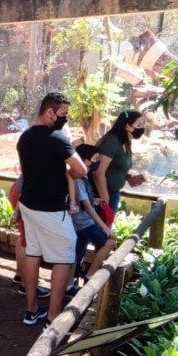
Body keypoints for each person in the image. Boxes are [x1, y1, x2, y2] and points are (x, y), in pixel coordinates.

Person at [15, 92, 87, 326]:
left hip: (28, 204)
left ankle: (31, 310)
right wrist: (68, 174)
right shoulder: (58, 138)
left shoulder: (25, 137)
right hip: (52, 209)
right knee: (64, 257)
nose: (65, 118)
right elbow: (82, 170)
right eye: (63, 114)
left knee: (33, 253)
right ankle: (53, 317)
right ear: (50, 112)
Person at [71, 144, 118, 289]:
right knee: (109, 241)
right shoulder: (79, 179)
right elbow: (86, 206)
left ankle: (72, 281)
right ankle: (90, 276)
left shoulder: (83, 177)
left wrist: (94, 200)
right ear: (86, 161)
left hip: (83, 221)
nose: (98, 162)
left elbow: (85, 201)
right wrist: (104, 227)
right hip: (83, 222)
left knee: (78, 251)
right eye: (96, 159)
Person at [93, 110, 147, 217]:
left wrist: (128, 177)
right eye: (139, 125)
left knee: (106, 225)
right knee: (102, 225)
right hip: (100, 195)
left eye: (143, 125)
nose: (142, 128)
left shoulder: (126, 142)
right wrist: (105, 199)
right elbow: (98, 172)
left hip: (113, 193)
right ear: (127, 126)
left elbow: (115, 166)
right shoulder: (112, 142)